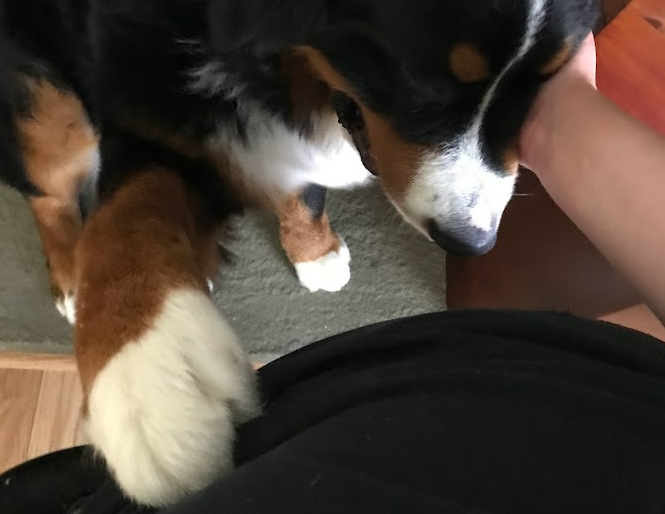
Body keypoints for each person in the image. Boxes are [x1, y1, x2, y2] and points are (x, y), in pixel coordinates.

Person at [3, 32, 665, 514]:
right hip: (512, 395)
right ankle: (57, 226)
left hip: (309, 446)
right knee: (55, 150)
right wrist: (558, 116)